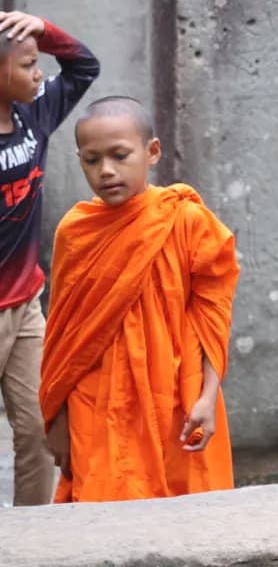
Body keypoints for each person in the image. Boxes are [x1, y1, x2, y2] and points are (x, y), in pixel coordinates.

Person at [39, 97, 239, 503]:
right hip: (96, 399)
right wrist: (56, 418)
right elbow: (63, 337)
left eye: (120, 156)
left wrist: (207, 396)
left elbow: (212, 313)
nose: (106, 170)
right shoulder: (76, 232)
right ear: (79, 160)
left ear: (152, 152)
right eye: (92, 160)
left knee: (184, 513)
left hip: (176, 397)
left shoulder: (186, 220)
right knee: (101, 507)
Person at [0, 11, 99, 506]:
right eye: (27, 65)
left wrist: (42, 28)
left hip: (26, 306)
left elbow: (84, 66)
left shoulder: (34, 112)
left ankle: (32, 533)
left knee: (40, 428)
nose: (40, 74)